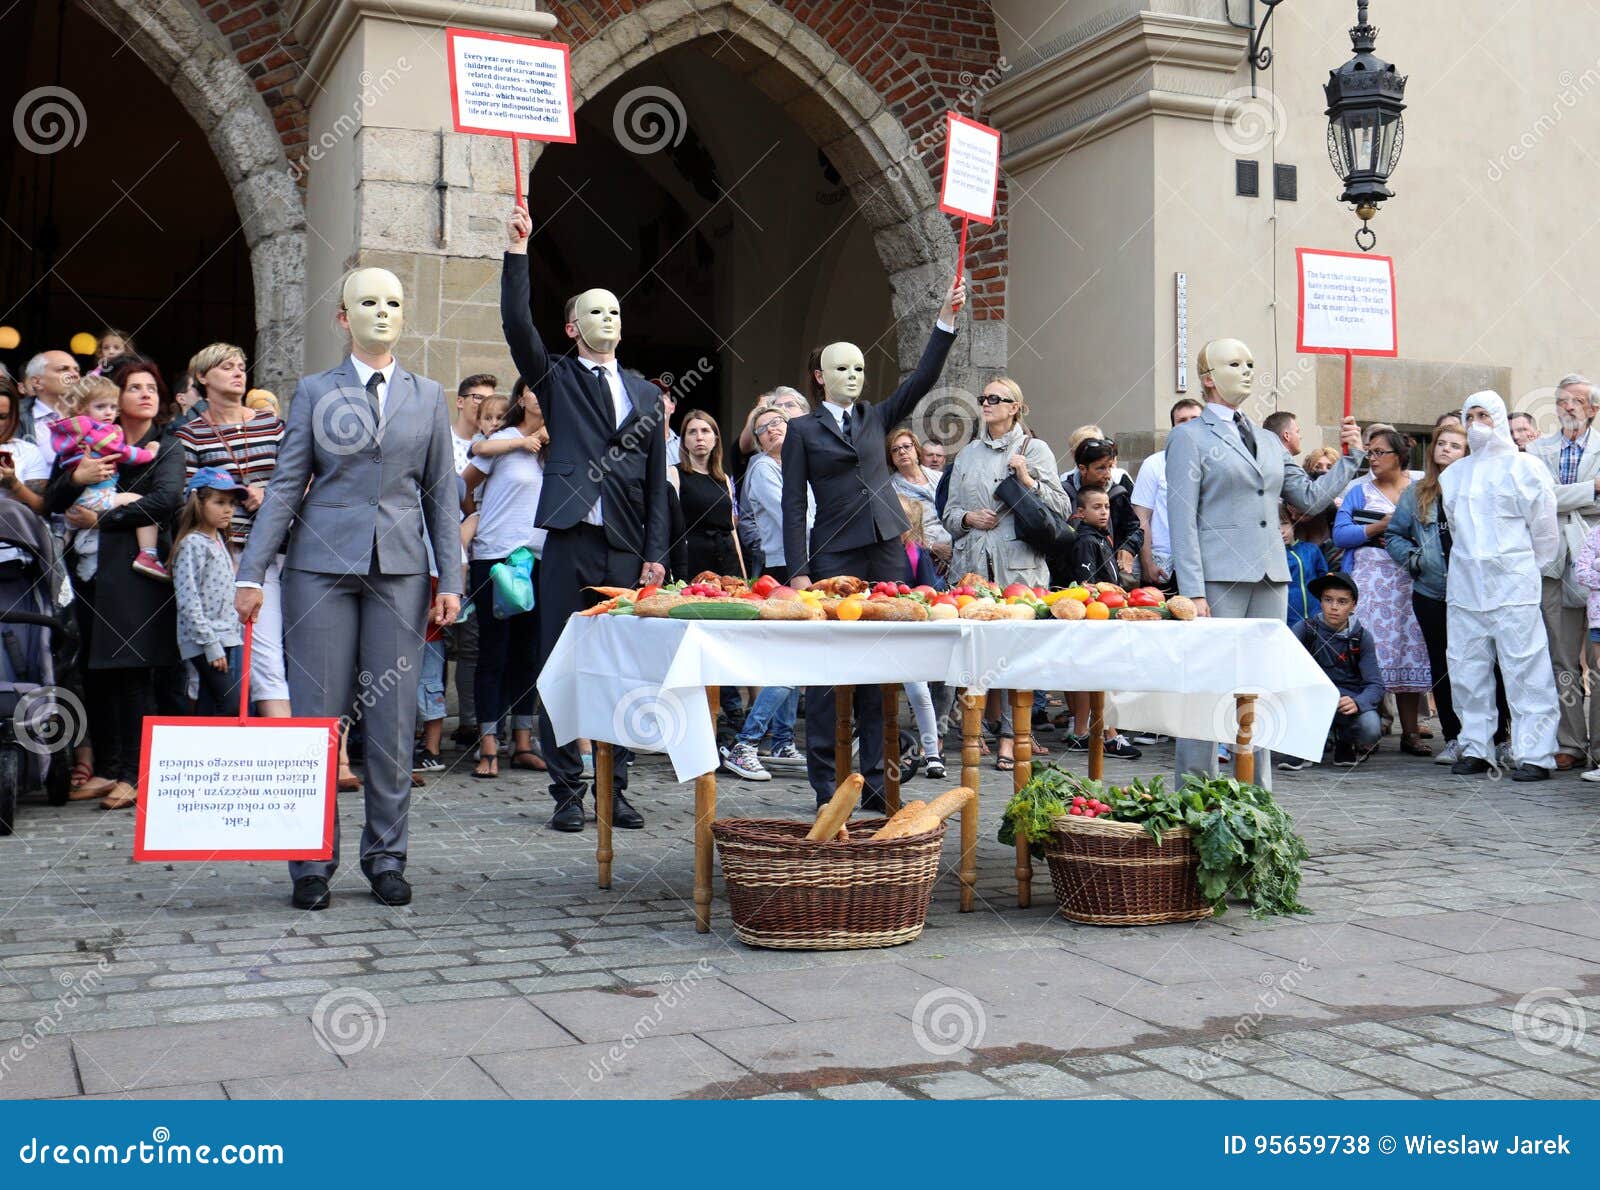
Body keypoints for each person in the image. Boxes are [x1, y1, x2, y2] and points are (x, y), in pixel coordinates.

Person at [237, 266, 461, 911]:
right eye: (368, 302)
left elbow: (442, 495)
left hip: (401, 571)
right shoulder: (313, 391)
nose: (382, 312)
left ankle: (386, 859)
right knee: (316, 720)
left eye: (394, 301)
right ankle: (310, 864)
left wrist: (451, 576)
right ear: (342, 317)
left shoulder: (428, 395)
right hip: (319, 570)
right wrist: (252, 572)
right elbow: (285, 485)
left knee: (393, 723)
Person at [502, 203, 669, 833]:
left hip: (626, 548)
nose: (609, 318)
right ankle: (566, 789)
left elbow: (658, 482)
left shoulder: (647, 393)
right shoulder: (556, 377)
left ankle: (614, 786)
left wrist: (657, 551)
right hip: (569, 539)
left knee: (623, 670)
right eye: (595, 310)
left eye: (616, 311)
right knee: (559, 664)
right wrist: (519, 253)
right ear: (573, 326)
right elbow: (518, 324)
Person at [783, 275, 964, 809]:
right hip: (834, 551)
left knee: (881, 668)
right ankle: (824, 787)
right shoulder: (802, 432)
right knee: (825, 672)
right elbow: (794, 504)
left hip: (887, 544)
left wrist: (945, 320)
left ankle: (879, 786)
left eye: (860, 368)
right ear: (820, 378)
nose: (854, 377)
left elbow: (925, 375)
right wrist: (799, 569)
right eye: (842, 368)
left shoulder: (876, 416)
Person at [1165, 337, 1362, 786]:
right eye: (1236, 363)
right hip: (1217, 579)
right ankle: (1193, 793)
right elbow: (1181, 516)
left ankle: (1257, 795)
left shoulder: (1270, 441)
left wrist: (1349, 459)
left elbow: (1308, 499)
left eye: (1252, 362)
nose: (1248, 370)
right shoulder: (1188, 436)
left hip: (1271, 576)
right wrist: (1193, 590)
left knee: (1261, 688)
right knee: (1208, 688)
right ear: (1209, 379)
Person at [45, 361, 182, 812]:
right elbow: (53, 499)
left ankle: (136, 774)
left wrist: (105, 517)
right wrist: (75, 480)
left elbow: (166, 501)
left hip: (137, 571)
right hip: (88, 571)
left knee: (134, 670)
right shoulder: (91, 439)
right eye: (134, 388)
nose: (146, 395)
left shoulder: (167, 446)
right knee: (97, 670)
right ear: (114, 399)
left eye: (152, 388)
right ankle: (108, 767)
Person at [942, 375, 1069, 770]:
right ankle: (977, 729)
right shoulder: (966, 456)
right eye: (983, 398)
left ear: (1015, 407)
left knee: (1017, 657)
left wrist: (1027, 479)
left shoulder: (1036, 449)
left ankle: (1015, 737)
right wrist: (966, 517)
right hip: (974, 568)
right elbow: (947, 514)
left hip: (1020, 570)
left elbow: (1062, 509)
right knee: (977, 653)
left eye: (997, 399)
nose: (987, 404)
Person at [1440, 391, 1559, 781]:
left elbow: (1544, 531)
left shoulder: (1526, 468)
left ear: (1498, 419)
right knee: (1466, 669)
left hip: (1514, 587)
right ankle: (1476, 747)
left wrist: (1524, 571)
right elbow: (1457, 530)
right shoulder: (1453, 475)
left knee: (1526, 669)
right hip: (1465, 588)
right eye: (1469, 415)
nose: (1476, 423)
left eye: (1484, 415)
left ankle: (1535, 754)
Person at [175, 343, 291, 718]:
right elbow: (186, 497)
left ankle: (280, 763)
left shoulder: (272, 425)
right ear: (203, 377)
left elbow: (301, 480)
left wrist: (267, 494)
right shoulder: (190, 434)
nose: (238, 372)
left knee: (268, 654)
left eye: (241, 366)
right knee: (209, 658)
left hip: (270, 551)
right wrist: (229, 496)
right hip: (217, 553)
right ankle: (209, 761)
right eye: (227, 367)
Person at [463, 380, 550, 779]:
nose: (542, 396)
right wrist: (475, 519)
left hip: (537, 557)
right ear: (521, 398)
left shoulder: (556, 444)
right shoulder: (504, 438)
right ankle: (487, 746)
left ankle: (522, 742)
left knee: (528, 653)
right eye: (535, 390)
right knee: (493, 653)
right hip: (496, 555)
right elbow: (463, 482)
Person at [1332, 428, 1434, 756]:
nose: (1372, 459)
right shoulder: (1359, 491)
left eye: (1379, 453)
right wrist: (1380, 526)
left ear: (1399, 457)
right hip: (1369, 585)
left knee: (1408, 651)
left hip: (1408, 583)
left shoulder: (1418, 491)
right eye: (1370, 453)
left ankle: (1410, 732)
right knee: (1370, 654)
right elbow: (1341, 535)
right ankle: (1369, 727)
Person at [1387, 422, 1484, 767]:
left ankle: (1495, 736)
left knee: (1484, 664)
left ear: (1468, 453)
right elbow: (1394, 534)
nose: (1445, 449)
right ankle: (1455, 737)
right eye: (1440, 443)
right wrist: (1414, 560)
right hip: (1431, 591)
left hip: (1474, 592)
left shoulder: (1478, 489)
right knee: (1442, 666)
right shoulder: (1417, 493)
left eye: (1454, 445)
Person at [1525, 374, 1600, 771]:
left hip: (1596, 565)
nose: (1567, 406)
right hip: (1555, 563)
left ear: (1593, 409)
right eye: (1561, 400)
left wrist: (1562, 498)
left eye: (1575, 401)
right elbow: (1540, 499)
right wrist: (1592, 491)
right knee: (1562, 658)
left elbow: (1553, 499)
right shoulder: (1538, 450)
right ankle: (1570, 742)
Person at [51, 375, 166, 581]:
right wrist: (148, 453)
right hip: (95, 495)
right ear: (82, 409)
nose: (108, 412)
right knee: (138, 502)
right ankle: (148, 553)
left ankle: (62, 549)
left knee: (73, 538)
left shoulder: (73, 433)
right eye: (101, 407)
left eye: (113, 407)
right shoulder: (98, 434)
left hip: (79, 501)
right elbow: (123, 453)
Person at [1282, 573, 1383, 769]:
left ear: (1353, 605)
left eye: (1342, 601)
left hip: (1345, 701)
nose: (1334, 607)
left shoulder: (1361, 637)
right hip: (1310, 700)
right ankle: (1304, 745)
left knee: (1370, 727)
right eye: (1328, 600)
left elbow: (1376, 685)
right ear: (1320, 602)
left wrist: (1358, 702)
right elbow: (1285, 670)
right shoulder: (1305, 630)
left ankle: (1345, 742)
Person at [171, 468, 247, 715]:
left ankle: (203, 752)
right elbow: (187, 599)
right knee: (229, 704)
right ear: (198, 503)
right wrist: (210, 644)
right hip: (206, 639)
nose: (229, 510)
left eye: (232, 503)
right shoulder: (192, 543)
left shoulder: (219, 542)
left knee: (210, 702)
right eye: (220, 502)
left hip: (223, 635)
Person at [1131, 398, 1203, 593]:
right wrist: (1147, 564)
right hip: (1165, 567)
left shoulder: (1217, 462)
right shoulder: (1154, 464)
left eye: (1195, 418)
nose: (1189, 424)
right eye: (1182, 420)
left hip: (1206, 564)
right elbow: (1141, 518)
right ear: (1174, 428)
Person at [1062, 436, 1141, 584]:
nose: (1108, 474)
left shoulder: (1118, 493)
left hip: (1110, 582)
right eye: (1101, 468)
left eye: (1110, 467)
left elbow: (1135, 529)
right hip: (1068, 584)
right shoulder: (1063, 493)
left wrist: (1128, 548)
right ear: (1083, 469)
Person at [674, 409, 743, 577]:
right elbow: (671, 526)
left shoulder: (724, 478)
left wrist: (743, 573)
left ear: (715, 439)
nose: (699, 437)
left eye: (705, 431)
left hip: (727, 560)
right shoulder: (674, 474)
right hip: (693, 559)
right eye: (692, 432)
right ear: (684, 441)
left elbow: (732, 529)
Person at [887, 427, 951, 570]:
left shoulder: (940, 477)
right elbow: (900, 532)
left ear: (916, 450)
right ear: (891, 458)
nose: (902, 452)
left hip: (956, 547)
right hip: (924, 555)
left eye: (906, 447)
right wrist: (931, 547)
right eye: (895, 450)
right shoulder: (890, 489)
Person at [0, 373, 51, 519]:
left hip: (15, 537)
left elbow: (43, 508)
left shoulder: (27, 451)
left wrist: (13, 484)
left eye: (2, 417)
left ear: (13, 417)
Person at [21, 350, 80, 465]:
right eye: (63, 369)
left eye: (76, 369)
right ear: (37, 382)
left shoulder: (94, 413)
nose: (75, 374)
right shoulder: (14, 416)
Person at [1282, 503, 1327, 628]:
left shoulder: (1311, 549)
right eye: (1274, 527)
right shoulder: (1273, 556)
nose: (1281, 531)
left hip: (1316, 615)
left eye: (1284, 523)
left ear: (1293, 524)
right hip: (1287, 619)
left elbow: (1324, 580)